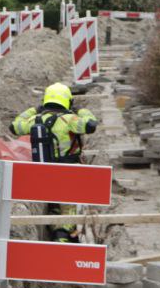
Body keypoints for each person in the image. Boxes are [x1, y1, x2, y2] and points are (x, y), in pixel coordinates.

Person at [10, 82, 99, 242]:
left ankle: (55, 233)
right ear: (67, 101)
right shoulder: (69, 120)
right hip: (69, 173)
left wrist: (33, 110)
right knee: (68, 216)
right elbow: (91, 125)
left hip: (44, 174)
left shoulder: (36, 120)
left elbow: (15, 127)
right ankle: (63, 241)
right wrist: (81, 110)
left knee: (55, 208)